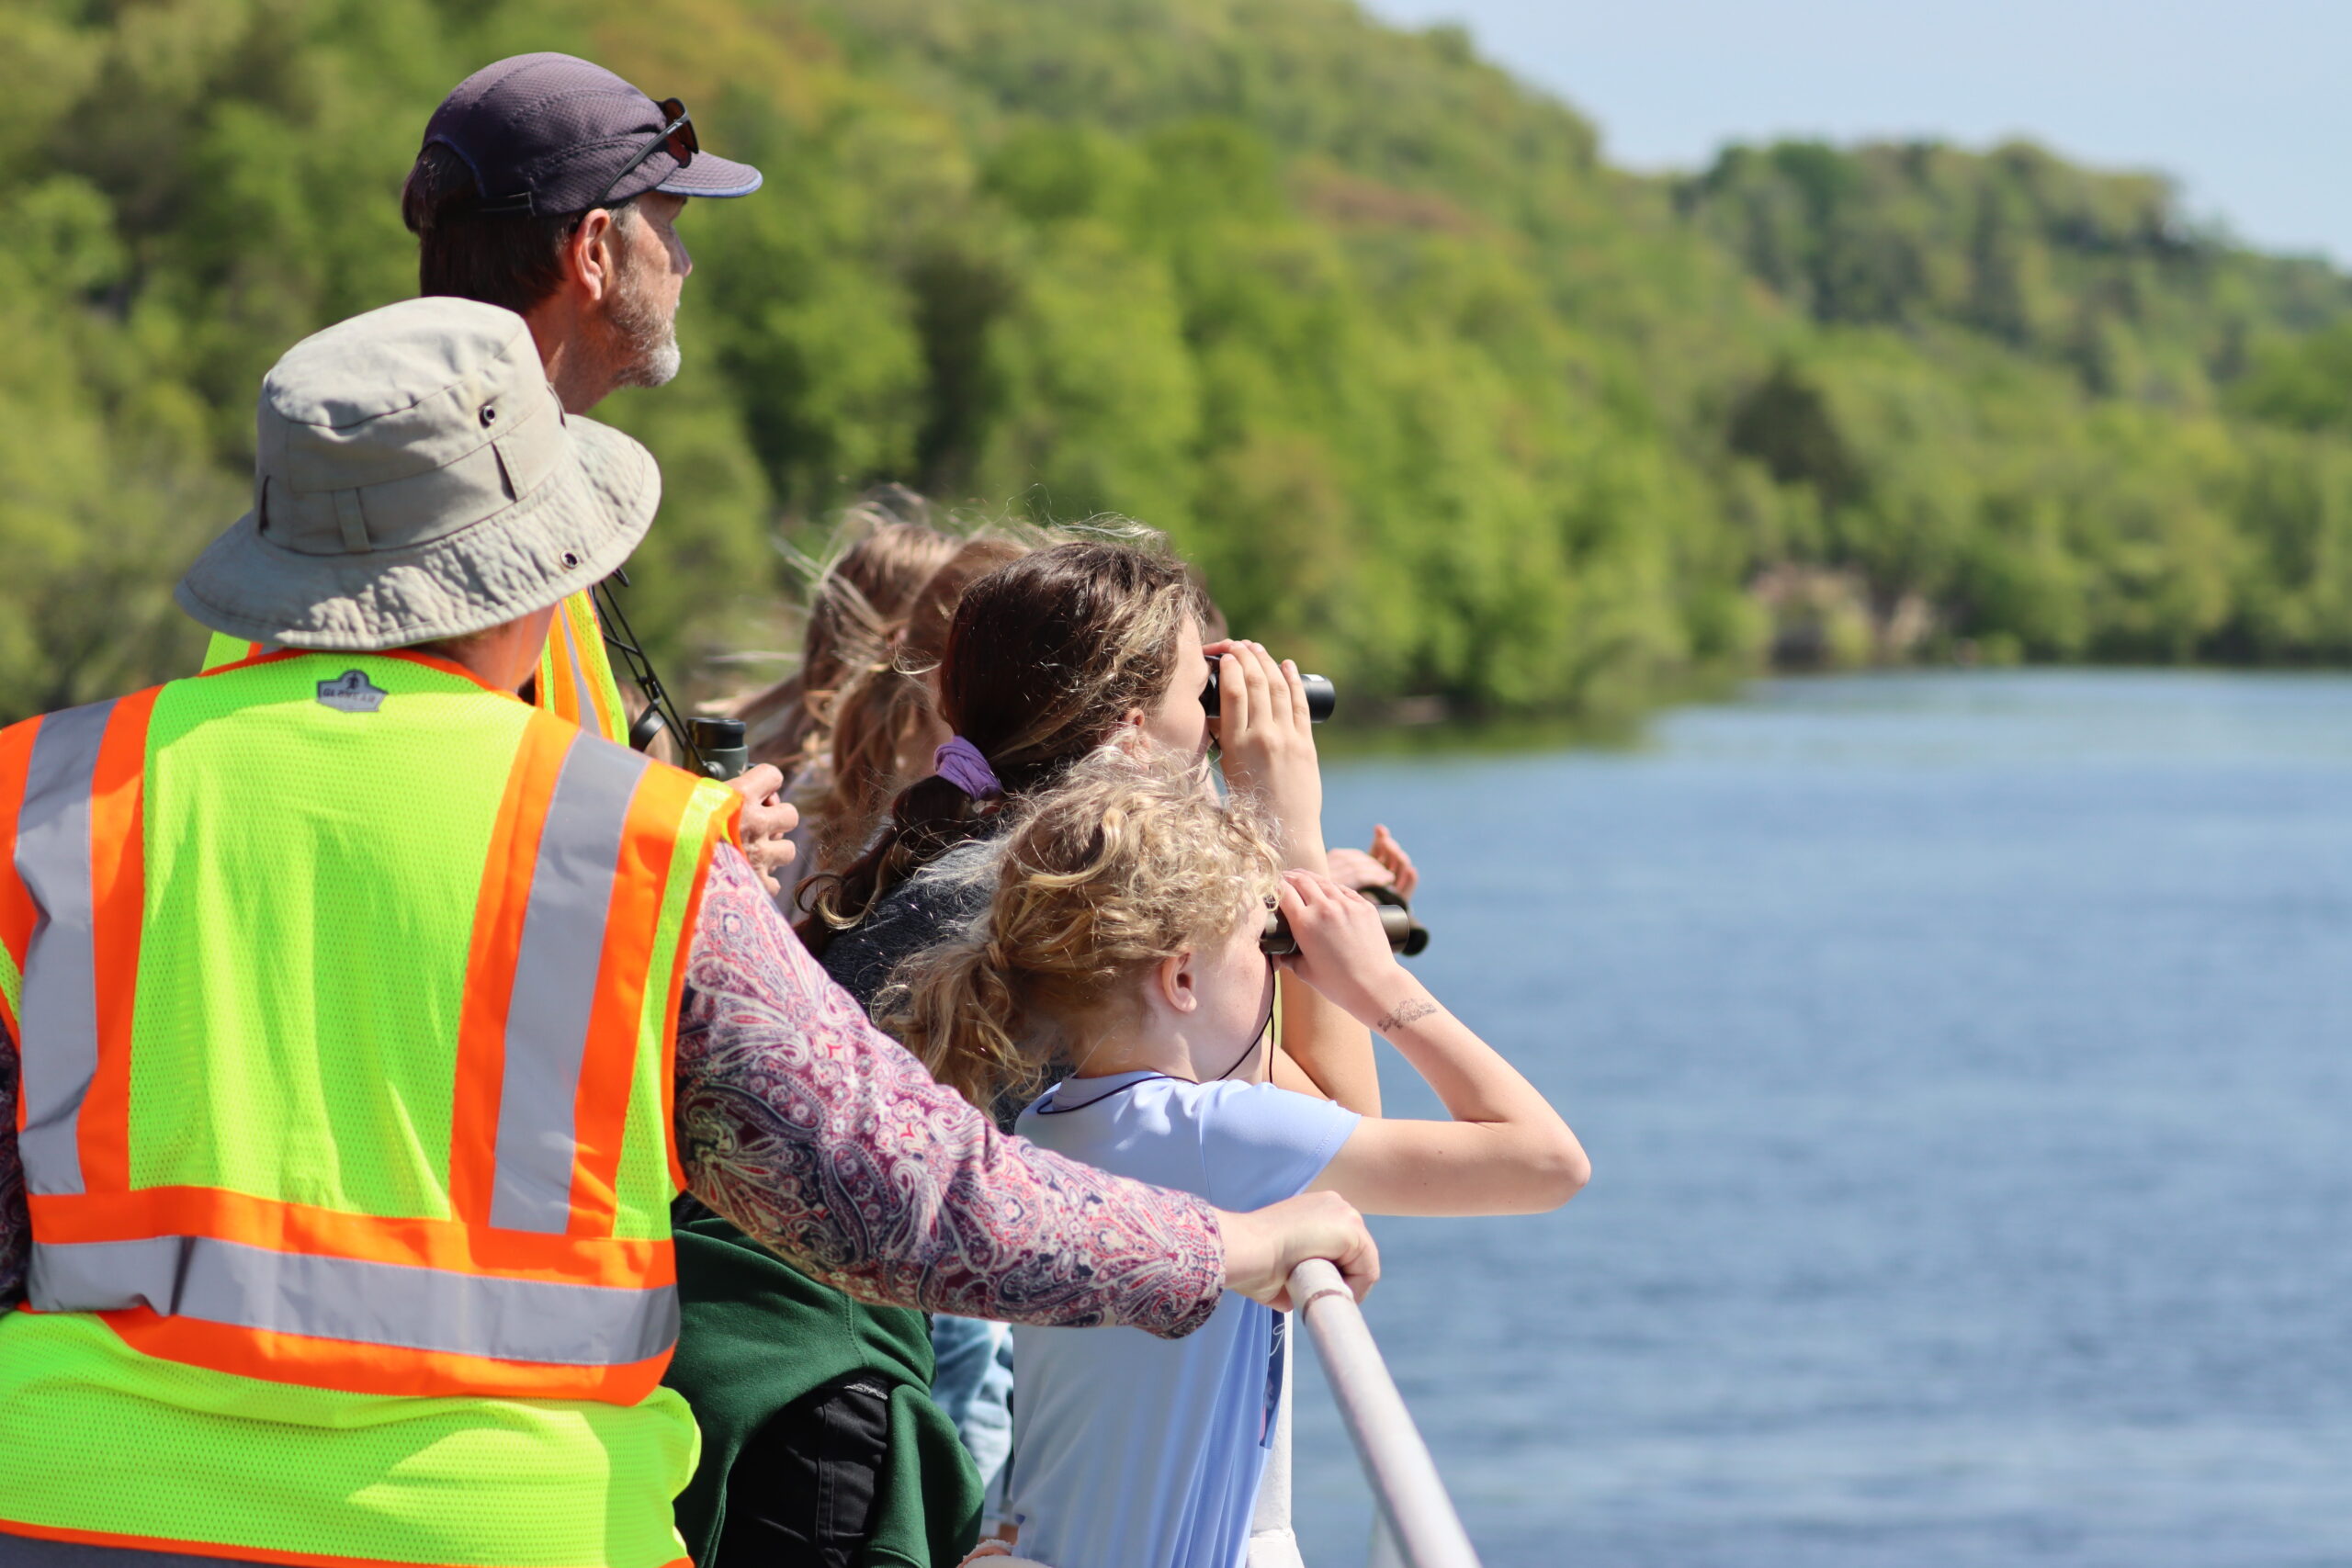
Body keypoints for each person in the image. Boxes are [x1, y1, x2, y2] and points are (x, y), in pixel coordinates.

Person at [0, 298, 1376, 1568]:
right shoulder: (627, 837)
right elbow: (896, 1194)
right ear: (542, 575)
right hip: (500, 1525)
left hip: (67, 1507)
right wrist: (1224, 1247)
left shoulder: (36, 799)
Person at [889, 750, 1590, 1568]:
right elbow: (1547, 1162)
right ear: (1181, 975)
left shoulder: (1050, 1124)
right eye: (1266, 949)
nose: (1281, 974)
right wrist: (1375, 984)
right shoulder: (1211, 1131)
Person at [192, 51, 798, 887]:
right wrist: (692, 866)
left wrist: (676, 815)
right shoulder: (474, 517)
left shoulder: (355, 481)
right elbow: (432, 838)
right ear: (594, 251)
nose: (684, 263)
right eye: (672, 225)